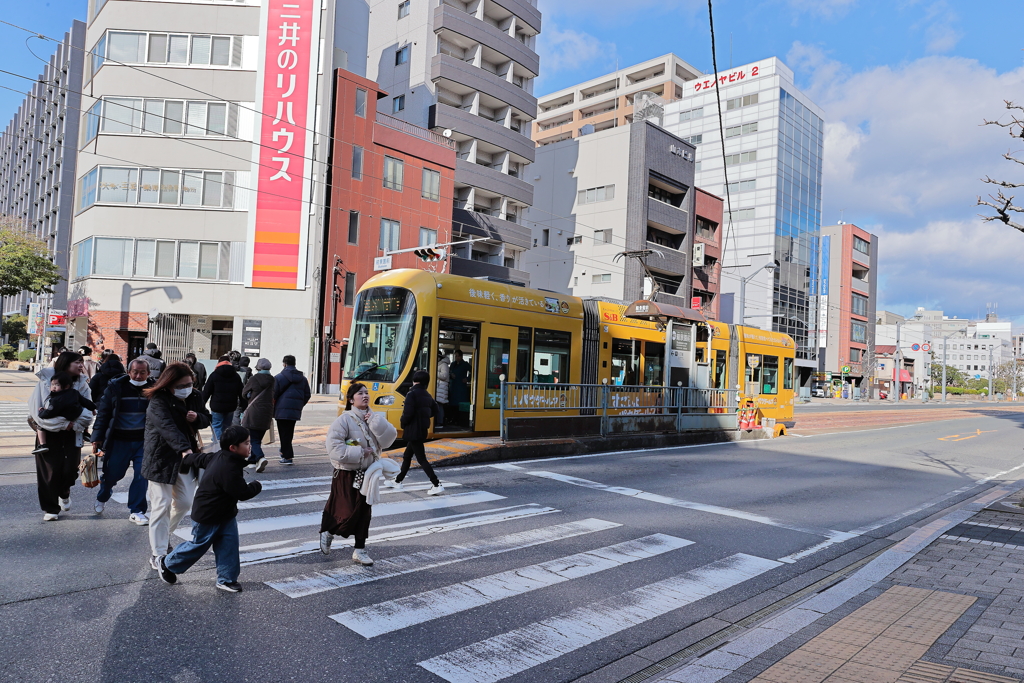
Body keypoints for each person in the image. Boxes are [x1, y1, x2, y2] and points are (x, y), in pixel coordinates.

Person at [157, 426, 262, 593]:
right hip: (208, 514)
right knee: (198, 545)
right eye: (246, 443)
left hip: (225, 513)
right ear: (233, 448)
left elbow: (202, 459)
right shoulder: (228, 468)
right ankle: (166, 563)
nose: (250, 446)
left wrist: (188, 458)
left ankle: (226, 579)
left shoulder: (222, 456)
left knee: (229, 545)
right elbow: (242, 492)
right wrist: (256, 485)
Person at [142, 362, 211, 569]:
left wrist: (197, 418)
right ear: (169, 384)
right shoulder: (158, 400)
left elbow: (207, 418)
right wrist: (184, 449)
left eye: (189, 384)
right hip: (161, 458)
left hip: (185, 459)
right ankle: (158, 552)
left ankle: (163, 535)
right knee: (161, 504)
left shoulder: (195, 396)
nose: (186, 388)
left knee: (184, 503)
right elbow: (167, 427)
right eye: (181, 386)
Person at [320, 382, 397, 564]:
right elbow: (334, 449)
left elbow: (389, 440)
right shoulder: (343, 420)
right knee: (346, 511)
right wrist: (360, 452)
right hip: (346, 473)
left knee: (364, 512)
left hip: (368, 473)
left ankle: (360, 550)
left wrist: (376, 422)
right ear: (351, 399)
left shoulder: (375, 417)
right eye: (360, 393)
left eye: (366, 392)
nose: (364, 396)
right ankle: (329, 531)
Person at [27, 351, 94, 521]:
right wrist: (64, 424)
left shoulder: (82, 384)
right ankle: (51, 509)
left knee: (71, 470)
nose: (81, 365)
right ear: (65, 363)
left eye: (81, 362)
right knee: (48, 472)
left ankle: (64, 492)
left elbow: (87, 412)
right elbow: (37, 412)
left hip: (73, 433)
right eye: (77, 362)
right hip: (48, 433)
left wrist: (75, 425)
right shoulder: (46, 381)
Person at [91, 358, 153, 523]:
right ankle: (104, 494)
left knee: (142, 475)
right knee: (112, 474)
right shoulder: (115, 387)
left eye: (142, 373)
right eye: (135, 372)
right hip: (119, 441)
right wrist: (96, 437)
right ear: (128, 372)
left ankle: (137, 510)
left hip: (143, 442)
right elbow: (104, 414)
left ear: (148, 373)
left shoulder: (155, 389)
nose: (138, 376)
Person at [390, 370, 444, 495]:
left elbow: (407, 414)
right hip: (422, 429)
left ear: (414, 381)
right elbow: (435, 409)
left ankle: (436, 484)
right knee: (407, 456)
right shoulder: (427, 395)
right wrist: (424, 416)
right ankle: (398, 480)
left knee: (421, 458)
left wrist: (403, 423)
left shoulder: (411, 394)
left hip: (412, 430)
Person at [32, 372, 97, 456]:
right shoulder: (75, 392)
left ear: (66, 386)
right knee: (85, 415)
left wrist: (41, 413)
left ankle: (42, 444)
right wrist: (93, 408)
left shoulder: (56, 399)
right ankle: (85, 432)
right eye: (52, 384)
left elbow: (50, 412)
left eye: (57, 385)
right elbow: (85, 402)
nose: (54, 387)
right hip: (77, 414)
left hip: (65, 416)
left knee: (40, 425)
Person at [273, 355, 311, 465]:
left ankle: (287, 456)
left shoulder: (279, 377)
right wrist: (299, 404)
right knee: (289, 433)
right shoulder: (302, 379)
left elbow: (274, 394)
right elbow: (307, 395)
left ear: (284, 364)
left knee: (283, 433)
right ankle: (284, 451)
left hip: (281, 409)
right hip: (295, 409)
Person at [240, 358, 274, 473]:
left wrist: (249, 396)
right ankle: (252, 461)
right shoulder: (272, 380)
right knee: (257, 438)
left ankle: (260, 457)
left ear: (258, 367)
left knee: (253, 439)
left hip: (254, 411)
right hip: (267, 412)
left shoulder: (254, 379)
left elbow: (244, 393)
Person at [203, 355, 243, 444]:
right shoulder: (235, 376)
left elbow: (207, 391)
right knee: (227, 426)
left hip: (217, 406)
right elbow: (241, 391)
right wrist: (243, 404)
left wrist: (202, 404)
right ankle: (225, 444)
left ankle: (217, 445)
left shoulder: (214, 375)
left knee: (216, 426)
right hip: (231, 406)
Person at [448, 349, 471, 428]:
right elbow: (449, 372)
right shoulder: (453, 364)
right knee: (452, 404)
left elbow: (473, 371)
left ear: (461, 356)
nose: (457, 357)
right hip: (453, 386)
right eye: (456, 356)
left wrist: (467, 379)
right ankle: (453, 419)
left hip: (461, 387)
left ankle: (458, 420)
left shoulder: (465, 364)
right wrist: (451, 375)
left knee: (459, 404)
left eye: (458, 356)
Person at [233, 356, 253, 425]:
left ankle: (236, 429)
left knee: (235, 415)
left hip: (237, 396)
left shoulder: (238, 372)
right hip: (246, 397)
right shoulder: (250, 373)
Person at [435, 351, 449, 431]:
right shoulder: (438, 364)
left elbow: (444, 376)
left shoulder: (444, 365)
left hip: (441, 387)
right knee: (437, 405)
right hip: (439, 387)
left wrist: (434, 371)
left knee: (440, 405)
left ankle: (440, 422)